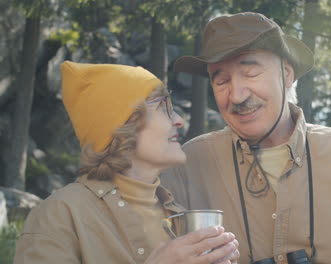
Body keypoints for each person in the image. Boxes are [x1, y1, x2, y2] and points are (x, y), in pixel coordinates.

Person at [162, 12, 331, 264]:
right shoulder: (188, 166)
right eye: (221, 81)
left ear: (286, 74)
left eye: (251, 73)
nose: (238, 95)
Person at [14, 61, 240, 264]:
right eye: (163, 107)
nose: (179, 120)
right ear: (122, 124)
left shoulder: (178, 215)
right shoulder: (61, 213)